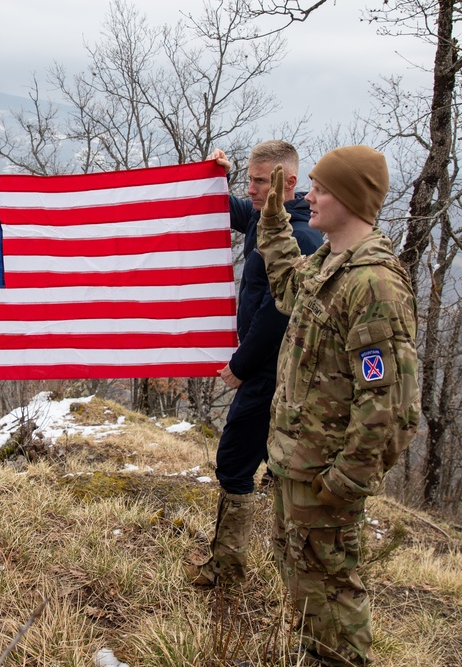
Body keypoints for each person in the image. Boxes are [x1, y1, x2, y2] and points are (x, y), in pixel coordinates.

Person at [256, 146, 421, 666]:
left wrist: (344, 481)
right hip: (297, 464)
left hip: (325, 477)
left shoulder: (374, 285)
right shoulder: (329, 262)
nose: (309, 196)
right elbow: (286, 286)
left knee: (333, 591)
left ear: (349, 198)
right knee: (306, 587)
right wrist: (274, 222)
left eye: (321, 189)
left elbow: (390, 406)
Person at [186, 141, 323, 587]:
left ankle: (229, 566)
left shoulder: (299, 237)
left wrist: (240, 365)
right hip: (264, 368)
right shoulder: (269, 220)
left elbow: (276, 314)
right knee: (254, 461)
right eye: (250, 179)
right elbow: (232, 212)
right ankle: (237, 561)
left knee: (234, 462)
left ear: (289, 183)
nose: (252, 190)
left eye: (261, 181)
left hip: (270, 371)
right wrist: (216, 177)